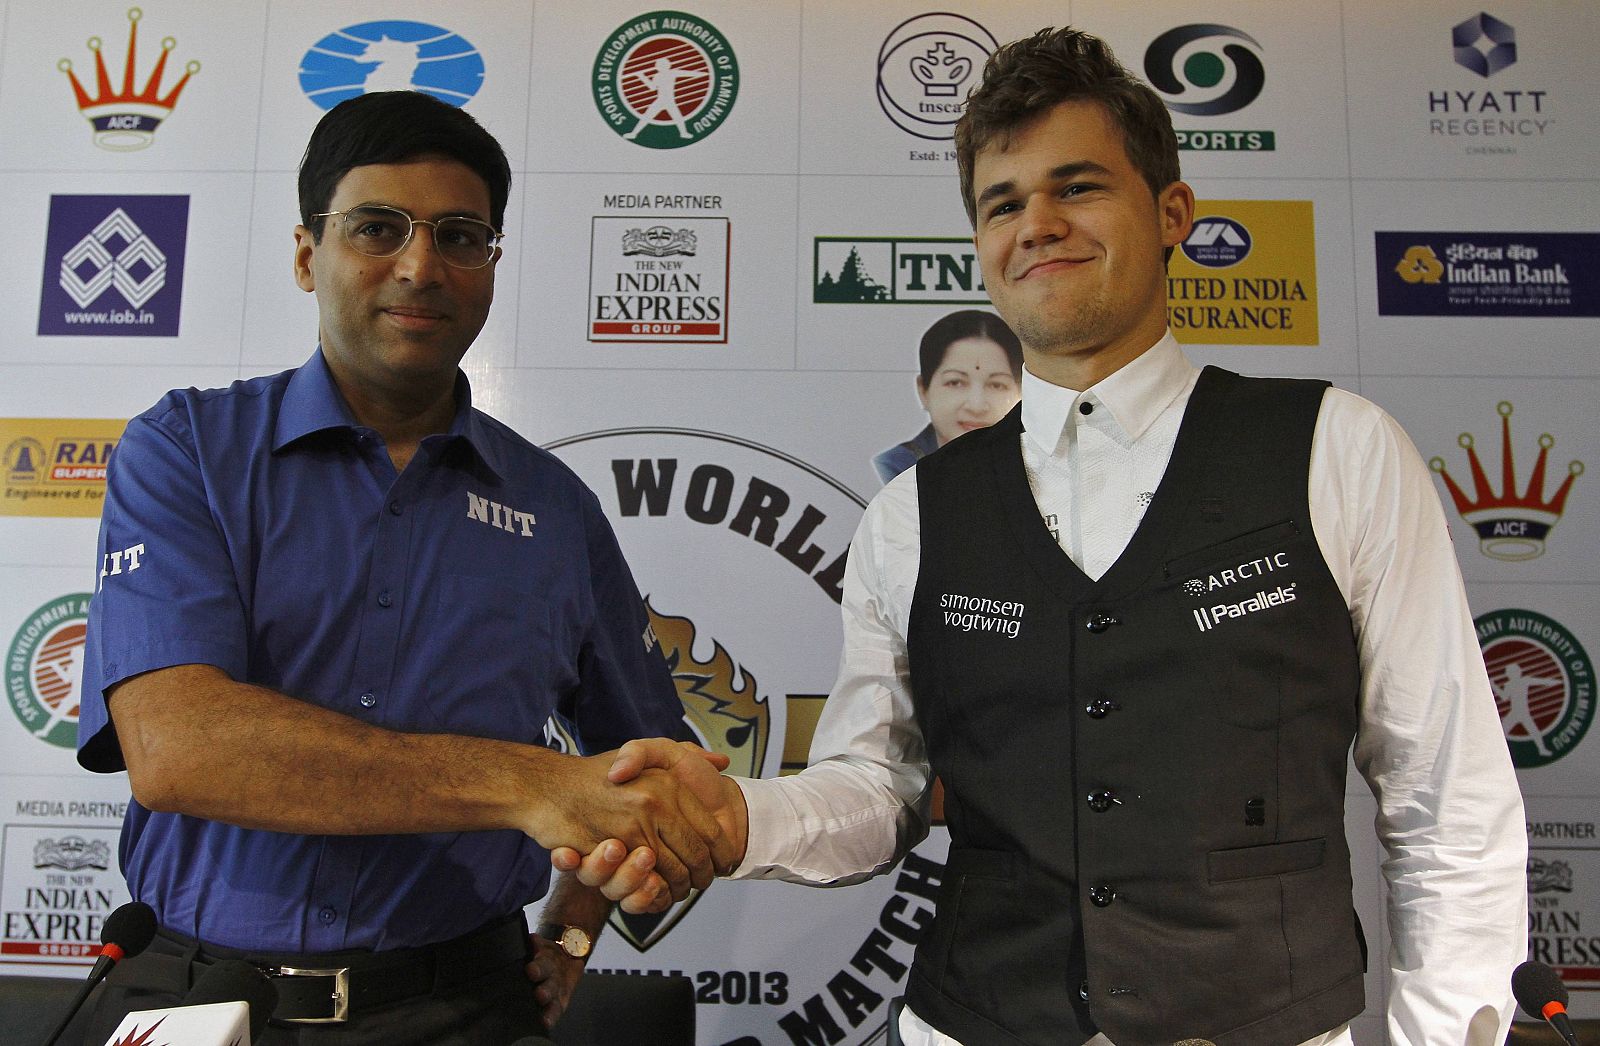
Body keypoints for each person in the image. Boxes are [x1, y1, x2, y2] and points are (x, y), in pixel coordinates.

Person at [580, 26, 1529, 1046]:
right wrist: (738, 819)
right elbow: (879, 786)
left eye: (1076, 186)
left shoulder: (1338, 448)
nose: (1035, 222)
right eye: (1002, 203)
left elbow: (1446, 798)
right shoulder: (911, 512)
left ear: (1171, 213)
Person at [75, 91, 733, 1045]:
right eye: (377, 228)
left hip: (468, 1009)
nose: (421, 267)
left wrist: (578, 930)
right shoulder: (186, 449)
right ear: (308, 255)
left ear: (492, 268)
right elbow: (180, 748)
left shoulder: (557, 508)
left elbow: (649, 766)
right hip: (198, 999)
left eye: (462, 237)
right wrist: (530, 783)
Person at [872, 309, 1022, 484]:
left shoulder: (1036, 471)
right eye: (956, 382)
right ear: (923, 390)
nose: (976, 406)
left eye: (996, 385)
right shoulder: (891, 471)